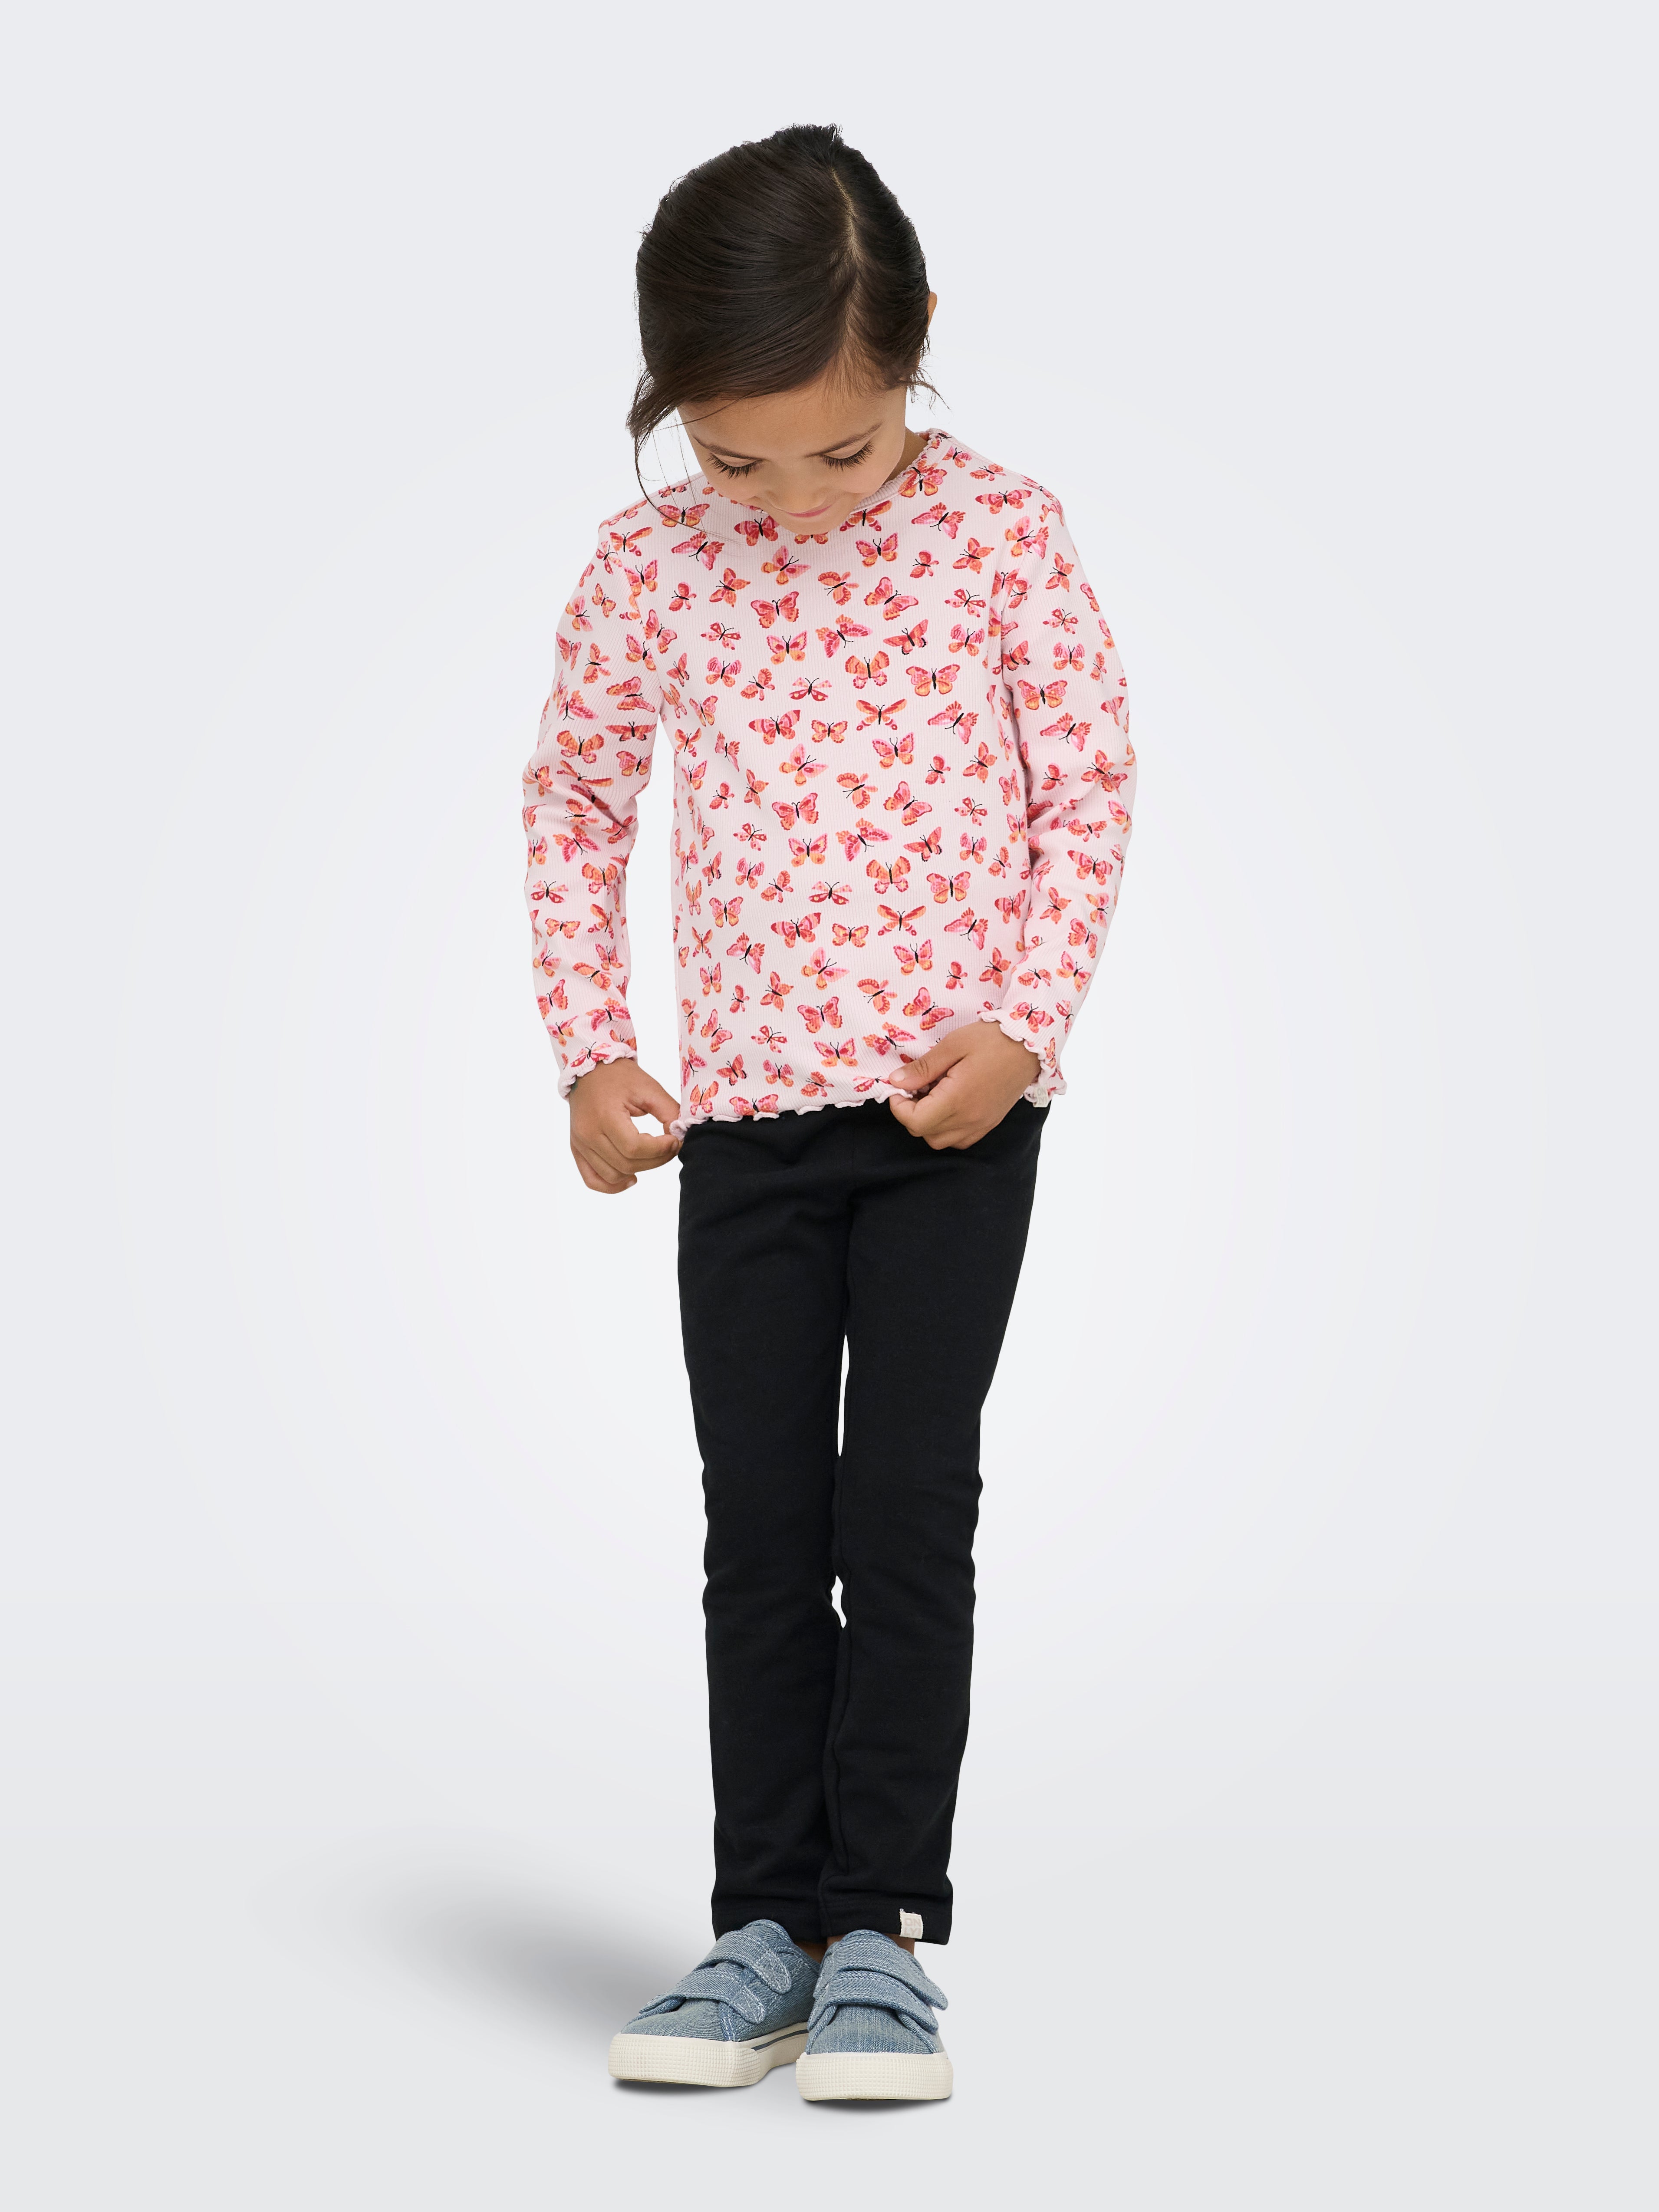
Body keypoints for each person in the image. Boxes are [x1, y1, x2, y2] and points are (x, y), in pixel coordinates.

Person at [523, 123, 1135, 2103]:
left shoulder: (1001, 530)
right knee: (763, 1524)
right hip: (746, 1134)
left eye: (841, 455)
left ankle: (881, 1928)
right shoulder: (645, 567)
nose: (789, 506)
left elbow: (1087, 786)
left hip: (952, 1125)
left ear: (919, 346)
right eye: (733, 464)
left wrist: (1024, 1024)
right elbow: (577, 799)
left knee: (907, 1508)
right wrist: (590, 1042)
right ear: (670, 407)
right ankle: (760, 1927)